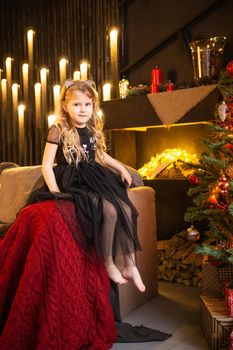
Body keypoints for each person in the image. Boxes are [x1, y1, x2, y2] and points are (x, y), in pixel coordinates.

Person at [29, 79, 145, 292]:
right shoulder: (58, 130)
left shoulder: (92, 129)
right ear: (65, 106)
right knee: (109, 211)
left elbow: (99, 155)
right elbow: (46, 165)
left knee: (126, 209)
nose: (82, 109)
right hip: (72, 180)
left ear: (93, 106)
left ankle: (130, 265)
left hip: (95, 176)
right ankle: (109, 264)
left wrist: (120, 168)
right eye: (76, 104)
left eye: (87, 104)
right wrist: (55, 192)